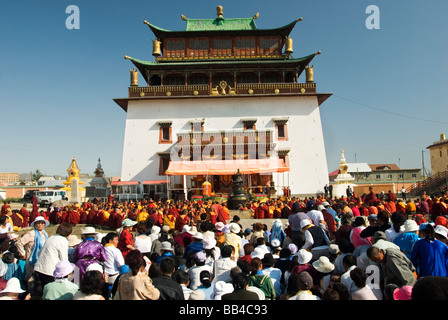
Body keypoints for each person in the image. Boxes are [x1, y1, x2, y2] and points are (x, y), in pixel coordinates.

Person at [31, 222, 73, 299]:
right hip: (50, 271)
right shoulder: (63, 240)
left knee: (38, 294)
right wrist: (68, 271)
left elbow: (40, 252)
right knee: (50, 293)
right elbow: (64, 259)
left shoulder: (51, 237)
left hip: (39, 268)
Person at [15, 216, 49, 281]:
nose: (40, 225)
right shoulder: (31, 234)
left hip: (42, 258)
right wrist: (23, 254)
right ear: (35, 224)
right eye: (38, 223)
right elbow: (19, 243)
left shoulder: (45, 233)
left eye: (42, 223)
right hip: (31, 258)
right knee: (30, 277)